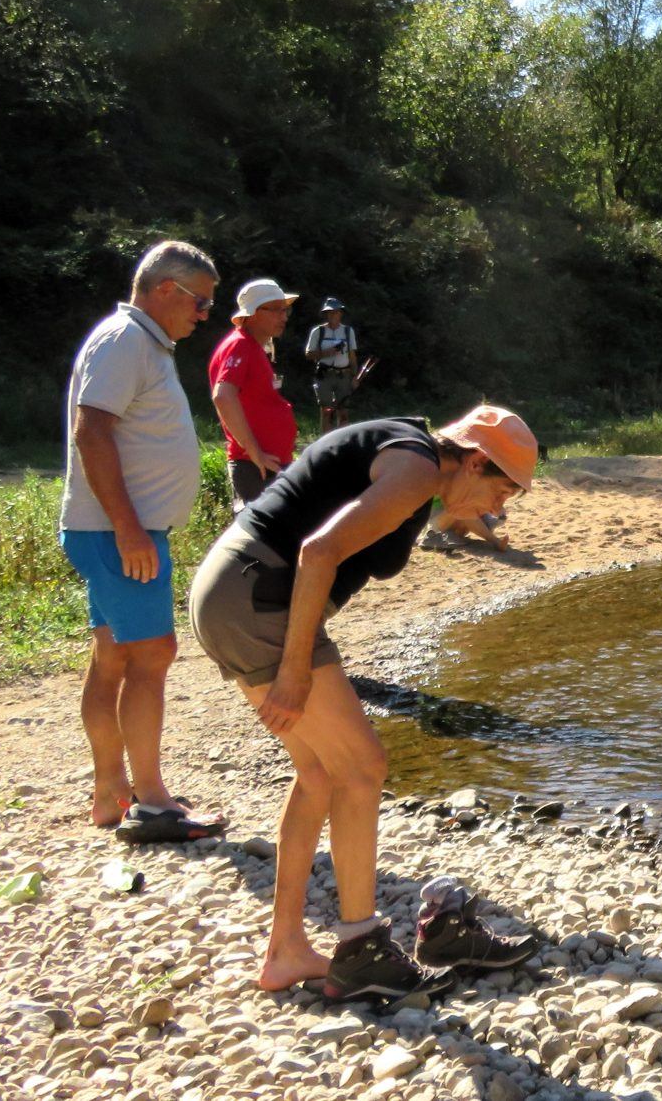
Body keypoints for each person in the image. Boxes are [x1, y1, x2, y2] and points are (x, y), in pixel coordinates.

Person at [186, 405, 541, 1000]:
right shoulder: (418, 469)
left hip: (233, 590)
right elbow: (318, 552)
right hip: (257, 595)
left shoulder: (414, 464)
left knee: (322, 771)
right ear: (476, 460)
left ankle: (287, 951)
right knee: (365, 767)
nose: (498, 509)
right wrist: (295, 668)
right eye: (501, 489)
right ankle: (361, 950)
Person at [59, 240, 227, 842]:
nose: (205, 314)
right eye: (200, 301)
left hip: (112, 530)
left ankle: (111, 793)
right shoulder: (126, 340)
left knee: (115, 659)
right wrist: (130, 529)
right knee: (152, 658)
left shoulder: (138, 342)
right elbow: (92, 430)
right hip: (118, 532)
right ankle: (152, 802)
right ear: (164, 289)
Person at [209, 279, 300, 512]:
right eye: (276, 309)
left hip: (266, 464)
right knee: (261, 544)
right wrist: (254, 452)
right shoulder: (239, 345)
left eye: (285, 309)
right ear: (253, 314)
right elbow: (223, 396)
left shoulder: (253, 347)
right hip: (255, 467)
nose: (284, 316)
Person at [304, 299, 360, 434]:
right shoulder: (318, 331)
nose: (333, 315)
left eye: (336, 312)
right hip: (324, 375)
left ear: (341, 314)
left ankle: (344, 442)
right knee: (326, 410)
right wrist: (326, 353)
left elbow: (352, 355)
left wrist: (355, 377)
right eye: (330, 313)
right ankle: (326, 442)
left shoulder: (347, 331)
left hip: (343, 375)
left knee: (344, 411)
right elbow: (308, 354)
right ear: (326, 314)